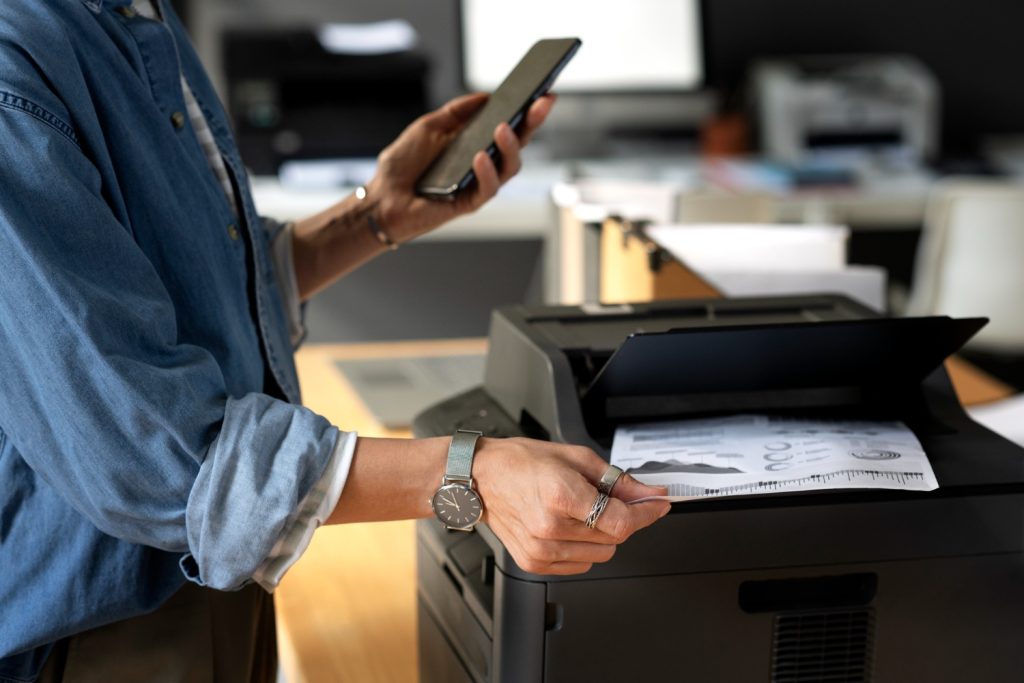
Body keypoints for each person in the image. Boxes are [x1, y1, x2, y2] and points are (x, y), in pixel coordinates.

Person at [0, 1, 671, 680]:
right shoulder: (13, 67)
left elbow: (203, 283)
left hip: (217, 582)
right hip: (95, 635)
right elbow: (153, 451)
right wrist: (472, 472)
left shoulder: (138, 17)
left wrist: (375, 214)